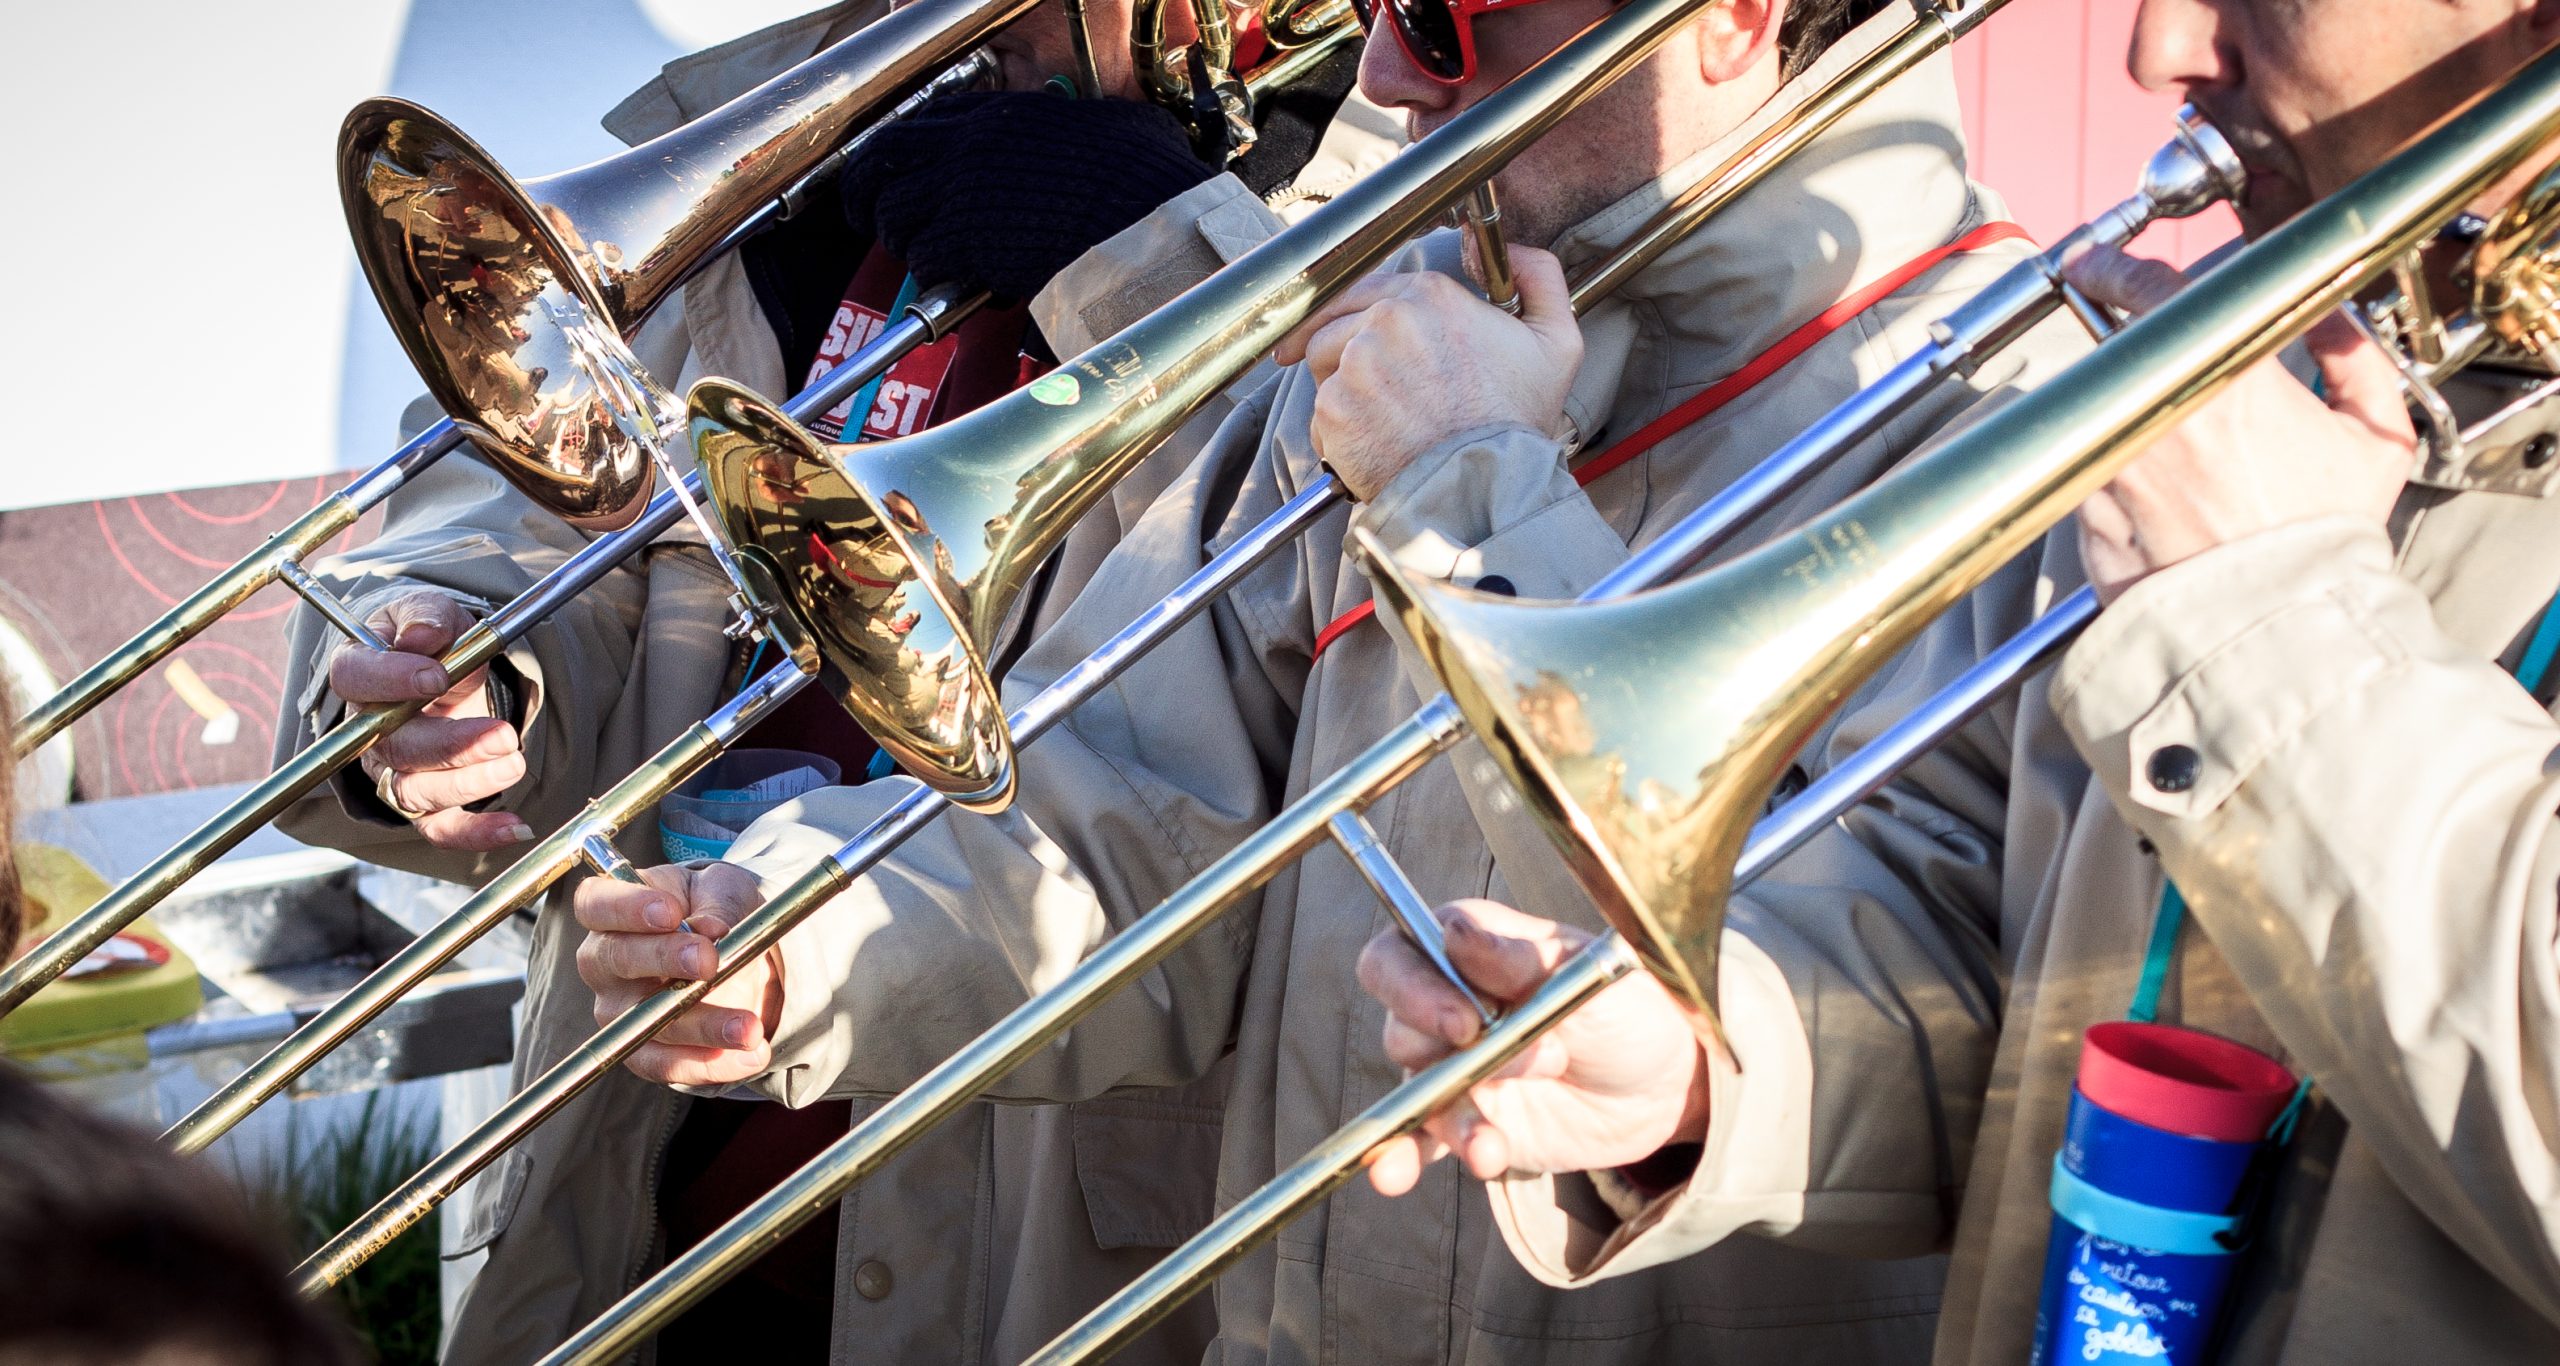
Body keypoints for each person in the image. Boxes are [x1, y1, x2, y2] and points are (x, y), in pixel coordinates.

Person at [565, 0, 2096, 1359]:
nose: (1384, 71)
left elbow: (1924, 1015)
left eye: (1439, 16)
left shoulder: (2024, 416)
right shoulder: (1426, 320)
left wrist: (1469, 487)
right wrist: (798, 940)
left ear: (1733, 20)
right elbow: (1112, 809)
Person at [1355, 0, 2560, 1362]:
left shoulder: (2248, 524)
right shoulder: (2269, 396)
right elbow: (1996, 966)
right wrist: (1706, 1064)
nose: (2159, 53)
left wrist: (2268, 618)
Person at [269, 2, 1398, 1361]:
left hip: (1050, 1251)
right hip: (644, 1198)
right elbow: (505, 518)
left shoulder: (1407, 160)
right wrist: (453, 658)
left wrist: (1164, 255)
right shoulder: (791, 138)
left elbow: (1309, 635)